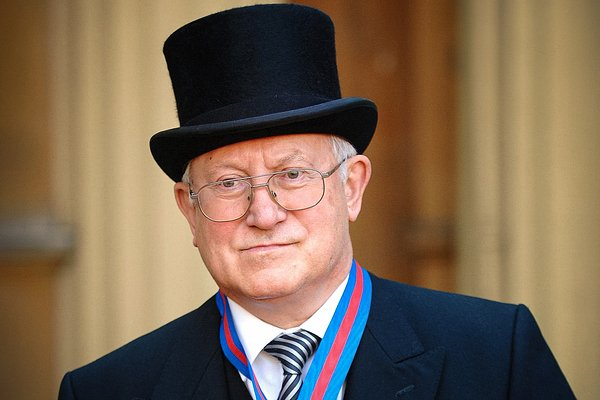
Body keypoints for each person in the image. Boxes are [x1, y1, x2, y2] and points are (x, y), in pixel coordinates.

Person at [58, 4, 574, 399]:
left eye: (293, 175)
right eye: (229, 183)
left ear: (352, 187)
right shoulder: (109, 390)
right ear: (189, 210)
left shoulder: (495, 356)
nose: (264, 214)